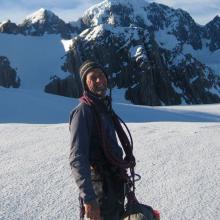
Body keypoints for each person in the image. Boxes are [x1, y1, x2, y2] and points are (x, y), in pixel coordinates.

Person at [69, 60, 135, 220]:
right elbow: (77, 158)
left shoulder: (103, 108)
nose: (99, 80)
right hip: (99, 187)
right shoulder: (84, 112)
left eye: (101, 75)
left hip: (113, 183)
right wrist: (89, 199)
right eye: (93, 77)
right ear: (85, 83)